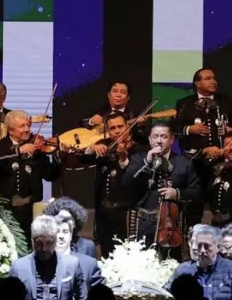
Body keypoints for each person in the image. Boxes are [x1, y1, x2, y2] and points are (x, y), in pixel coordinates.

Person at [171, 68, 232, 226]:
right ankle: (192, 240)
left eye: (214, 78)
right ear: (197, 83)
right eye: (208, 78)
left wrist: (231, 130)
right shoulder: (185, 103)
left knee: (221, 204)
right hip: (194, 163)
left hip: (220, 163)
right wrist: (190, 129)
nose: (213, 81)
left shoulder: (226, 101)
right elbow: (174, 129)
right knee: (193, 205)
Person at [122, 123, 201, 260]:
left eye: (164, 137)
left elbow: (196, 192)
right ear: (150, 140)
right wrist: (147, 162)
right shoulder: (137, 159)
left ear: (171, 140)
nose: (159, 140)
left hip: (171, 224)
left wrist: (177, 193)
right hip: (143, 223)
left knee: (170, 264)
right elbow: (126, 183)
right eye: (155, 136)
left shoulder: (184, 163)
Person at [0, 110, 62, 238]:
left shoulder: (37, 150)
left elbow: (50, 175)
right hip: (3, 211)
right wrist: (17, 150)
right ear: (10, 131)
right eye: (22, 126)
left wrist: (58, 158)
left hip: (30, 212)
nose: (27, 129)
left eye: (28, 125)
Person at [78, 112, 138, 257]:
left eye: (120, 126)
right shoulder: (105, 150)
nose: (117, 131)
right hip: (104, 214)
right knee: (106, 255)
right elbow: (82, 158)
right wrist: (92, 148)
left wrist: (123, 155)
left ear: (128, 127)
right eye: (112, 128)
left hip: (127, 214)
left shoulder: (138, 150)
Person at [8, 215, 88, 300]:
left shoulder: (72, 264)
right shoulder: (18, 267)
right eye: (39, 243)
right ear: (32, 240)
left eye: (49, 242)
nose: (44, 248)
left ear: (56, 240)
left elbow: (83, 299)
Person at [53, 210, 105, 290]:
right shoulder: (37, 262)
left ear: (71, 235)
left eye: (65, 232)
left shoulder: (89, 264)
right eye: (57, 232)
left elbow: (101, 296)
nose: (61, 236)